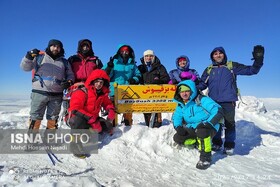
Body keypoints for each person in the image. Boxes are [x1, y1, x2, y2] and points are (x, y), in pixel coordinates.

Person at [197, 45, 265, 155]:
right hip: (213, 103)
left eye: (220, 53)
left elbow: (251, 70)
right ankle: (217, 142)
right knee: (215, 123)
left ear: (224, 54)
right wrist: (191, 87)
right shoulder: (209, 69)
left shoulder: (232, 66)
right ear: (212, 56)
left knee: (229, 124)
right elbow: (202, 84)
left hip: (228, 101)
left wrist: (258, 60)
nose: (218, 55)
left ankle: (229, 145)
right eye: (215, 54)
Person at [20, 39, 75, 130]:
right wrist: (28, 56)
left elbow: (70, 74)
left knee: (53, 119)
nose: (56, 48)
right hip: (39, 93)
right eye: (53, 46)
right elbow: (25, 68)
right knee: (35, 118)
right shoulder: (39, 57)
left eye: (58, 47)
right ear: (49, 46)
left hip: (57, 94)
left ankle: (49, 140)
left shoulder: (65, 62)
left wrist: (69, 81)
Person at [172, 80, 224, 169]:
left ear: (192, 91)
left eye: (187, 91)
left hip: (209, 126)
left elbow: (217, 110)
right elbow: (176, 117)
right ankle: (197, 142)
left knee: (202, 131)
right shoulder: (181, 105)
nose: (184, 94)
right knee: (177, 137)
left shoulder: (201, 99)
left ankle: (206, 157)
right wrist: (178, 126)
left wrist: (208, 123)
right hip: (193, 127)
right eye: (182, 91)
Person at [67, 69, 115, 158]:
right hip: (79, 117)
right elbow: (75, 108)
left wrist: (111, 110)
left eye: (101, 82)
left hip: (93, 118)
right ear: (92, 81)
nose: (99, 84)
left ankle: (88, 132)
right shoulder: (82, 91)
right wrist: (91, 119)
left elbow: (107, 103)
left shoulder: (102, 93)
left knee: (107, 127)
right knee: (77, 122)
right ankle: (74, 145)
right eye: (97, 82)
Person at [103, 44, 142, 126]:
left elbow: (138, 75)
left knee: (128, 111)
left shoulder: (132, 64)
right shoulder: (114, 62)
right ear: (119, 52)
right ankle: (111, 127)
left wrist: (134, 80)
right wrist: (109, 68)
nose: (125, 52)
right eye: (122, 51)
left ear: (129, 52)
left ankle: (128, 126)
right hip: (114, 91)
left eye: (127, 51)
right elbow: (104, 75)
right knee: (113, 111)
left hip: (127, 91)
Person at [138, 50, 169, 127]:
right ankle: (149, 127)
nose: (149, 58)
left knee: (157, 117)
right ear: (144, 57)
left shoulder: (160, 67)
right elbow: (136, 77)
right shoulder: (140, 67)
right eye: (146, 56)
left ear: (154, 57)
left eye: (151, 56)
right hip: (144, 94)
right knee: (147, 113)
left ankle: (157, 126)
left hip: (156, 94)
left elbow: (166, 78)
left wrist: (160, 80)